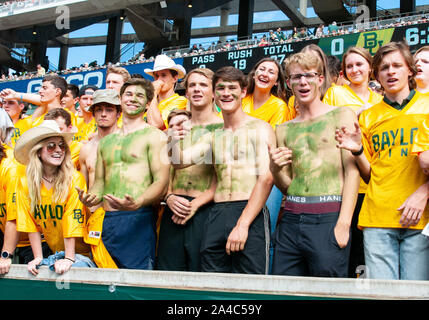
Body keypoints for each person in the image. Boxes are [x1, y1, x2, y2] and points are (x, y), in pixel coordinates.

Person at [335, 42, 429, 280]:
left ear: (410, 70)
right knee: (382, 295)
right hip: (377, 216)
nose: (391, 72)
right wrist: (357, 152)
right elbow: (369, 175)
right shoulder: (367, 117)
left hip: (420, 217)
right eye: (384, 68)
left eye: (397, 65)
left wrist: (424, 192)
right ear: (376, 74)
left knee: (415, 295)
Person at [169, 66, 275, 274]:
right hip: (217, 213)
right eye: (220, 89)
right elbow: (180, 162)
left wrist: (243, 225)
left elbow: (267, 179)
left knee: (249, 287)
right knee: (212, 282)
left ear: (243, 92)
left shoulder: (260, 128)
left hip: (248, 210)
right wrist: (173, 140)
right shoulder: (213, 136)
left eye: (232, 88)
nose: (226, 93)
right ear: (214, 95)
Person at [270, 51, 360, 277]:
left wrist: (343, 223)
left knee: (327, 291)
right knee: (286, 290)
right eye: (296, 77)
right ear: (289, 83)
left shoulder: (341, 115)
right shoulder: (283, 129)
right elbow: (288, 186)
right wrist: (275, 169)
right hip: (291, 217)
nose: (302, 82)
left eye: (309, 76)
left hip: (329, 215)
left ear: (320, 79)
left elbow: (352, 172)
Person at [77, 78, 170, 269]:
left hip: (139, 218)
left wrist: (139, 201)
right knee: (106, 285)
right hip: (108, 221)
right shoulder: (105, 142)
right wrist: (90, 198)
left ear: (147, 103)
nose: (133, 99)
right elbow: (100, 183)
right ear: (120, 99)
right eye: (128, 94)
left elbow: (161, 181)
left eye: (139, 96)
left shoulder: (155, 136)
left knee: (137, 286)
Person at [323, 47, 384, 277]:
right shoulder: (336, 94)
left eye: (359, 64)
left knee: (364, 251)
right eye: (349, 66)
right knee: (340, 247)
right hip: (343, 181)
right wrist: (359, 111)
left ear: (370, 67)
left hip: (372, 183)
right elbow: (328, 127)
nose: (354, 69)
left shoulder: (381, 99)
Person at [157, 68, 223, 272]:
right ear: (186, 93)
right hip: (173, 208)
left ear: (214, 92)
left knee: (202, 277)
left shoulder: (223, 127)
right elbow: (164, 172)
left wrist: (195, 204)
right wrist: (168, 197)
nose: (196, 89)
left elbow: (224, 180)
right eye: (192, 85)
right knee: (167, 278)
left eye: (203, 85)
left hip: (205, 211)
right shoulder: (177, 127)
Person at [14, 120, 93, 275]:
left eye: (61, 145)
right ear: (38, 151)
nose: (58, 150)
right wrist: (38, 257)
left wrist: (69, 258)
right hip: (58, 252)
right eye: (51, 146)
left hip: (85, 253)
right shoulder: (25, 182)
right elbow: (30, 223)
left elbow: (73, 218)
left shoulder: (74, 179)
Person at [242, 57, 292, 272]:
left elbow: (270, 146)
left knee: (265, 232)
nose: (265, 74)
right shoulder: (241, 100)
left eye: (271, 72)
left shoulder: (279, 106)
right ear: (254, 74)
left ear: (276, 81)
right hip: (238, 175)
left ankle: (265, 280)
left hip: (266, 175)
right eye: (262, 69)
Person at [79, 89, 121, 269]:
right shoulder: (86, 149)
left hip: (124, 218)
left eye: (109, 109)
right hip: (96, 223)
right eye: (99, 109)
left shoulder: (129, 141)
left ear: (119, 113)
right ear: (93, 113)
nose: (103, 114)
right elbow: (84, 188)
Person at [144, 54, 188, 130]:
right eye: (156, 76)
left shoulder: (181, 101)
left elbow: (156, 125)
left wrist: (153, 93)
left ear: (175, 78)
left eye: (163, 75)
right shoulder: (149, 102)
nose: (159, 80)